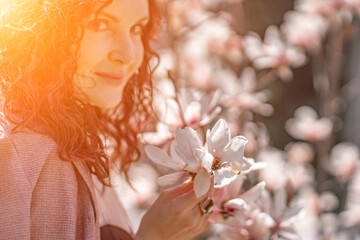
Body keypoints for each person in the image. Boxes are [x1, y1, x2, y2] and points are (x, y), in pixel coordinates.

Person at [0, 0, 212, 239]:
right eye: (99, 24)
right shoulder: (20, 154)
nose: (129, 55)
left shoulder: (77, 147)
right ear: (46, 32)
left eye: (136, 29)